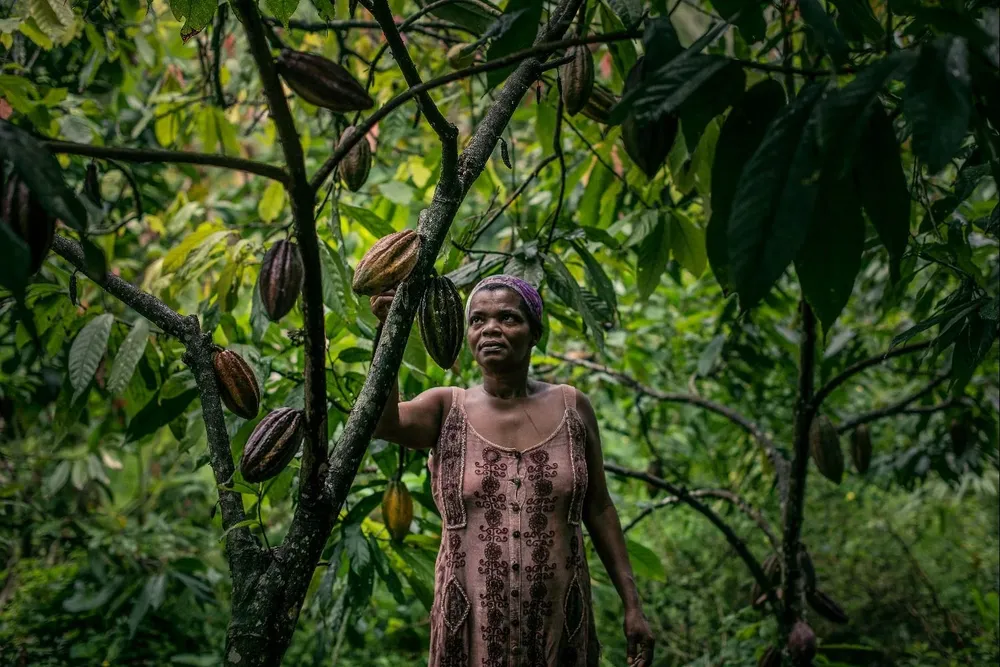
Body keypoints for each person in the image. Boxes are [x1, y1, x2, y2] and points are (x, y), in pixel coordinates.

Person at [371, 274, 655, 667]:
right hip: (469, 625)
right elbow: (384, 422)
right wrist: (389, 331)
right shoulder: (445, 408)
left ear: (534, 332)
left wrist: (633, 605)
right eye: (477, 320)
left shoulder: (573, 407)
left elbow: (600, 509)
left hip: (558, 622)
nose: (490, 329)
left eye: (508, 318)